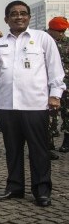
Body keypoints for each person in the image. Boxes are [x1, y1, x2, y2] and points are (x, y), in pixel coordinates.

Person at [0, 0, 66, 207]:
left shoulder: (42, 38)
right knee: (12, 149)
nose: (18, 17)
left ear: (28, 17)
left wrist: (55, 94)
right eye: (13, 14)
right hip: (7, 105)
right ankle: (15, 186)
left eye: (23, 13)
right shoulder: (0, 42)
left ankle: (42, 190)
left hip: (35, 104)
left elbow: (55, 69)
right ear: (6, 19)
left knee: (39, 149)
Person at [46, 17, 69, 153]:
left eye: (63, 31)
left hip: (66, 85)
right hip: (47, 85)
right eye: (58, 31)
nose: (61, 33)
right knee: (48, 115)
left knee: (67, 113)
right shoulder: (44, 41)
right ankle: (48, 144)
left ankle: (66, 141)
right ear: (51, 30)